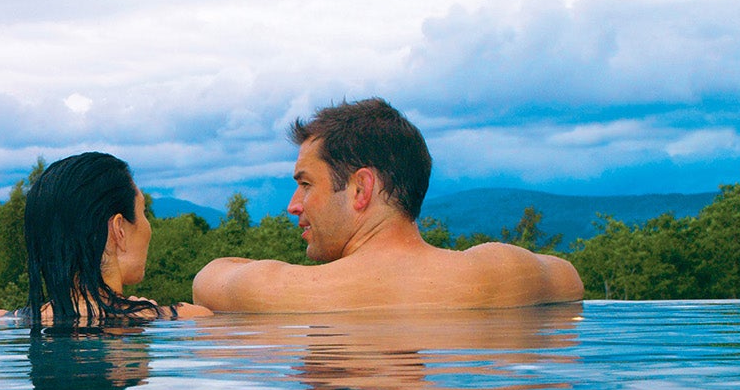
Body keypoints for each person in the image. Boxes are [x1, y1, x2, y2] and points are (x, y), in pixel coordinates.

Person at [190, 99, 584, 312]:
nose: (294, 206)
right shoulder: (502, 272)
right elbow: (569, 278)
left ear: (362, 189)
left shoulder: (292, 290)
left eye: (306, 184)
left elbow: (209, 278)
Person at [0, 151, 211, 329]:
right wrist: (147, 311)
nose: (147, 225)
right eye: (144, 212)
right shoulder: (187, 318)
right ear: (119, 229)